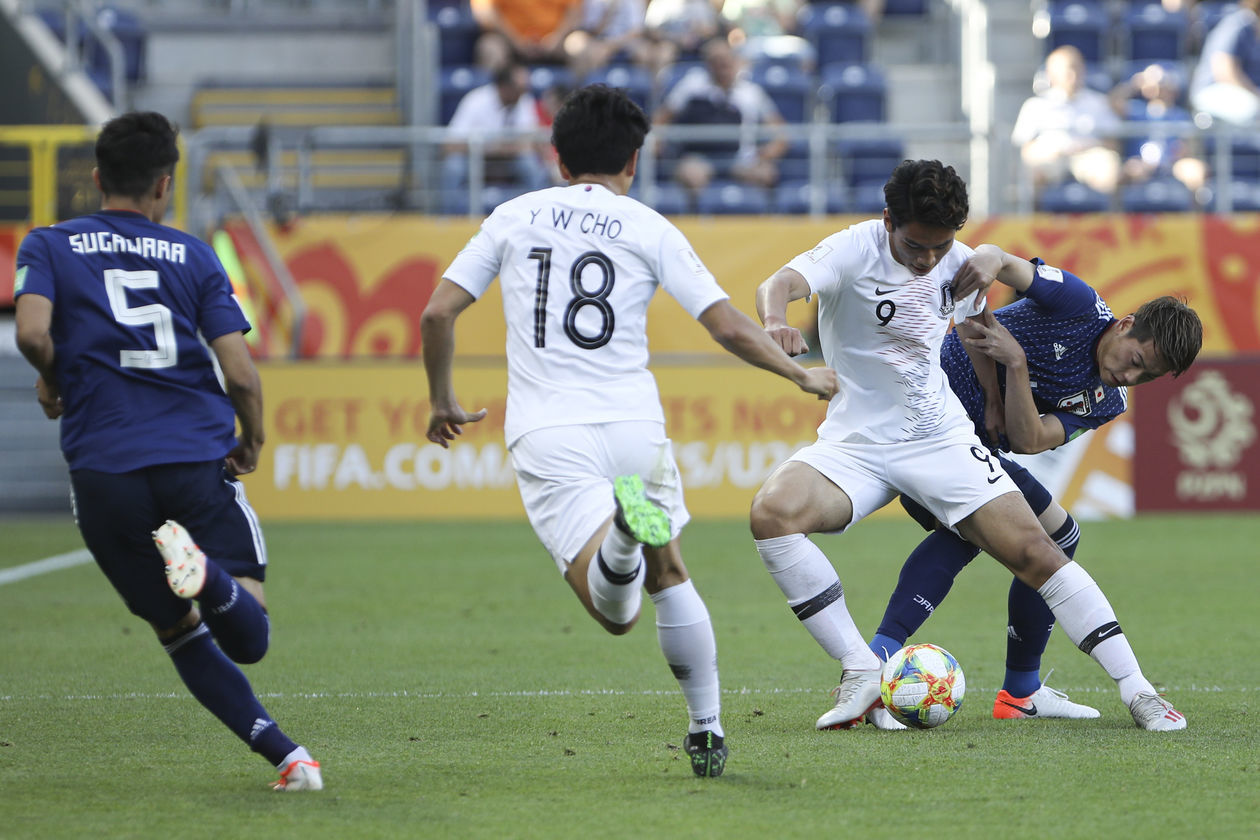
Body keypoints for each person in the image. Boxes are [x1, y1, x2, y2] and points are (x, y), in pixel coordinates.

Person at [421, 84, 840, 777]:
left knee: (616, 613)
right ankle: (706, 726)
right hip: (633, 426)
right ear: (634, 161)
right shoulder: (649, 226)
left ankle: (621, 534)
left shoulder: (511, 216)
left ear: (556, 158)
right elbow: (728, 324)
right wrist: (800, 377)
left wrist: (441, 398)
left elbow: (438, 314)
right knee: (669, 568)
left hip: (548, 429)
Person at [748, 158, 1188, 734]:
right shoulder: (852, 248)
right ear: (887, 221)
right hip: (853, 440)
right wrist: (776, 319)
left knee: (1042, 550)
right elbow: (775, 284)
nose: (929, 260)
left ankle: (1139, 692)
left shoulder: (955, 265)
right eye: (915, 246)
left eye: (941, 246)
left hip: (939, 437)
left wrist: (993, 397)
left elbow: (976, 325)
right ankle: (861, 668)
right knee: (771, 514)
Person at [12, 111, 322, 790]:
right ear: (164, 185)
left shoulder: (48, 244)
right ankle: (206, 574)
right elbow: (241, 371)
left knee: (177, 631)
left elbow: (32, 334)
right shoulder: (195, 254)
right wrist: (253, 440)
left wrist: (57, 377)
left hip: (103, 470)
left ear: (97, 179)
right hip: (192, 457)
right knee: (251, 632)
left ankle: (290, 759)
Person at [865, 251, 1203, 729]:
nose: (1130, 378)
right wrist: (981, 271)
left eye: (1146, 376)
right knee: (977, 531)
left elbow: (1029, 441)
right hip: (924, 416)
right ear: (1126, 325)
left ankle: (1018, 690)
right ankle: (875, 666)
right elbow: (996, 258)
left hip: (973, 448)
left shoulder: (1107, 399)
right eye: (1136, 361)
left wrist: (1017, 366)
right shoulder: (1076, 304)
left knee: (1060, 536)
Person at [653, 37, 788, 197]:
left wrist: (764, 154)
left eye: (726, 60)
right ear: (708, 64)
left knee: (766, 174)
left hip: (741, 158)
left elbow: (780, 133)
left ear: (735, 61)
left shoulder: (752, 92)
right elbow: (661, 118)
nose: (722, 66)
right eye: (716, 61)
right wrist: (658, 142)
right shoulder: (691, 86)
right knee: (691, 176)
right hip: (700, 157)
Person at [440, 60, 553, 212]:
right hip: (475, 158)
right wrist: (491, 147)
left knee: (531, 165)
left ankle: (537, 213)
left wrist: (498, 146)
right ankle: (445, 217)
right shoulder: (476, 100)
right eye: (518, 88)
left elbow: (529, 142)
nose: (523, 92)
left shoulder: (524, 100)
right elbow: (450, 144)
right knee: (453, 166)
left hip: (508, 159)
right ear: (504, 87)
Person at [1011, 45, 1122, 199]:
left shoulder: (1098, 102)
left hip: (1088, 155)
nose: (1073, 74)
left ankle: (1106, 219)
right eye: (1068, 69)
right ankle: (1033, 219)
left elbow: (1113, 142)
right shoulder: (1036, 105)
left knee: (1110, 169)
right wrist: (1050, 151)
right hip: (1051, 157)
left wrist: (1085, 148)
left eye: (1077, 68)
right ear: (1051, 73)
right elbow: (1024, 148)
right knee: (1031, 172)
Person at [1110, 63, 1208, 198]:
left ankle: (1197, 216)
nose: (1160, 87)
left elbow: (1190, 146)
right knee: (1124, 171)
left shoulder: (1181, 116)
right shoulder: (1137, 111)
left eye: (1163, 82)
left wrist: (1184, 150)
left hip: (1172, 163)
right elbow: (1112, 102)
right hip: (1141, 163)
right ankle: (1116, 213)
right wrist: (1135, 83)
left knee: (1196, 170)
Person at [1189, 0, 1260, 127]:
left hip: (1240, 93)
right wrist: (1255, 94)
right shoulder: (1240, 24)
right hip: (1213, 91)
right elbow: (1223, 71)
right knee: (1254, 110)